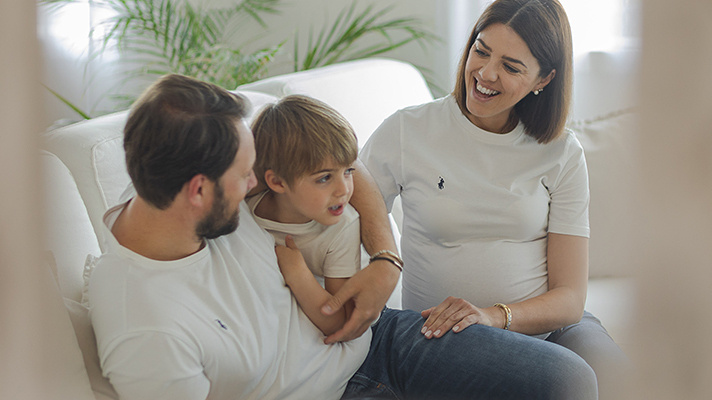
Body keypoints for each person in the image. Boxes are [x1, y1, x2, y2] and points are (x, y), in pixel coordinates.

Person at [87, 74, 597, 400]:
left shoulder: (173, 179)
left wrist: (384, 258)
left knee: (569, 382)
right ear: (198, 191)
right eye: (245, 176)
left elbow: (337, 160)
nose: (254, 186)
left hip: (380, 342)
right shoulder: (147, 330)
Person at [358, 0, 628, 396]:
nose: (485, 73)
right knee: (569, 383)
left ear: (544, 79)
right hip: (451, 334)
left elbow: (570, 298)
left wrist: (494, 316)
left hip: (547, 326)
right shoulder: (407, 131)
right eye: (481, 50)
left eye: (511, 66)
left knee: (630, 385)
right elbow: (350, 216)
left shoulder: (561, 152)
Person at [246, 95, 368, 336]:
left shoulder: (343, 227)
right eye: (324, 178)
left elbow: (340, 321)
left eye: (348, 172)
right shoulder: (247, 212)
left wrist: (298, 275)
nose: (344, 190)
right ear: (277, 182)